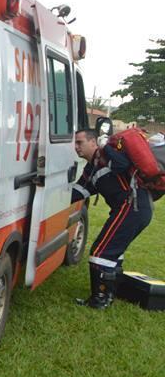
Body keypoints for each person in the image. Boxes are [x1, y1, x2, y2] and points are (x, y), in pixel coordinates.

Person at [71, 128, 153, 309]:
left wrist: (106, 146)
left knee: (101, 252)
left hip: (133, 206)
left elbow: (121, 165)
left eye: (80, 143)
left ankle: (100, 300)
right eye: (74, 143)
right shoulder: (91, 168)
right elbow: (79, 192)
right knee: (112, 251)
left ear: (93, 142)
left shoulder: (107, 154)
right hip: (131, 208)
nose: (76, 147)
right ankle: (109, 294)